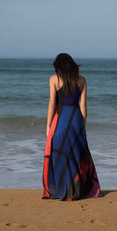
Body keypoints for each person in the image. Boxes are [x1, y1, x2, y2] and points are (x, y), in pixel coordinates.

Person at [42, 53, 101, 201]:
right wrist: (83, 124)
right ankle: (77, 189)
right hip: (75, 119)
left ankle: (63, 189)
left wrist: (48, 124)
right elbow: (83, 106)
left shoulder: (54, 79)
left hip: (61, 119)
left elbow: (52, 103)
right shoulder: (81, 80)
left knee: (59, 152)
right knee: (76, 153)